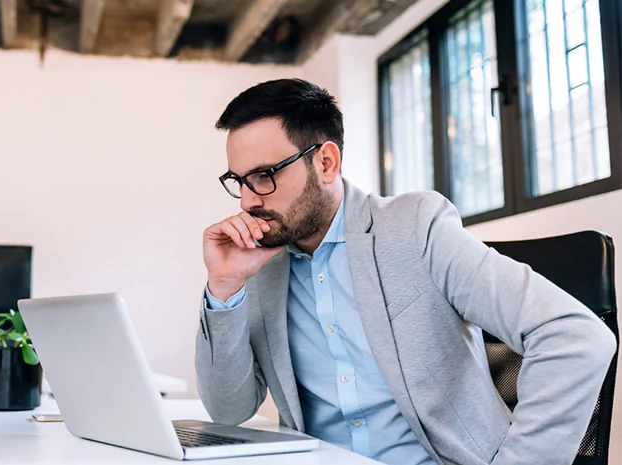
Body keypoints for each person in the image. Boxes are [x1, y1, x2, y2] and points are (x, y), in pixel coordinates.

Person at [195, 78, 616, 465]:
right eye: (239, 180)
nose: (248, 201)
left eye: (264, 176)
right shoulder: (265, 264)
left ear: (325, 163)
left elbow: (577, 338)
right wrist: (225, 286)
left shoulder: (416, 228)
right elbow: (230, 409)